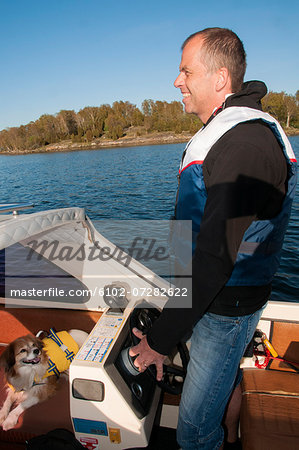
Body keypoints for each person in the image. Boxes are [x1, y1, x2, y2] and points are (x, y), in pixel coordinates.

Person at [129, 28, 297, 449]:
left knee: (193, 431)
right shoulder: (228, 133)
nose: (176, 80)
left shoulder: (244, 143)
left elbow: (214, 258)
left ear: (220, 78)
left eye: (186, 70)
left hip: (224, 308)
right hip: (212, 300)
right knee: (223, 384)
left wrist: (159, 343)